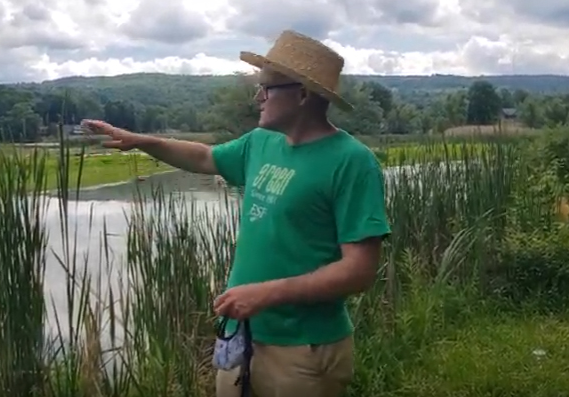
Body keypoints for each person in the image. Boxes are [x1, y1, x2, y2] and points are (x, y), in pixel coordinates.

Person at [81, 30, 391, 397]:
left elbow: (359, 271)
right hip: (241, 338)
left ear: (303, 95)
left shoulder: (352, 162)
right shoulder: (261, 143)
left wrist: (265, 295)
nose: (258, 97)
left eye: (267, 88)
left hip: (303, 351)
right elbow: (204, 157)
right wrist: (140, 141)